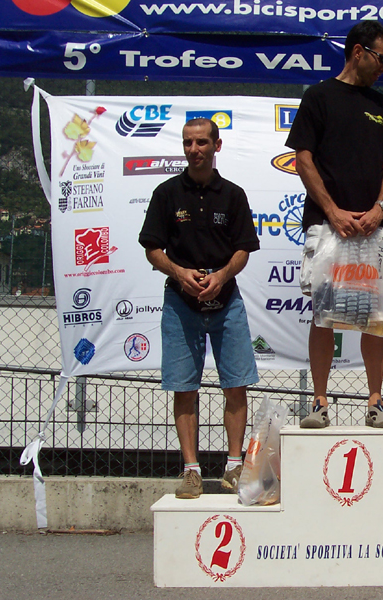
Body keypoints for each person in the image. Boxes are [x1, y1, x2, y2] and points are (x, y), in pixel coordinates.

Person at [286, 20, 383, 429]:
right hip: (327, 225)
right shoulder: (318, 96)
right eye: (382, 59)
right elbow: (303, 160)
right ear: (358, 52)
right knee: (323, 314)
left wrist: (380, 208)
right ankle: (319, 402)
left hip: (375, 227)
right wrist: (333, 211)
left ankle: (375, 402)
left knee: (374, 315)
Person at [139, 117, 260, 499]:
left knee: (236, 385)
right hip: (181, 303)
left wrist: (221, 276)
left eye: (202, 143)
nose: (194, 150)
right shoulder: (166, 193)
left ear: (216, 146)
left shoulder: (234, 195)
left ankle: (234, 467)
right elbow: (152, 248)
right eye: (188, 143)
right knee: (183, 389)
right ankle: (191, 471)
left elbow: (243, 249)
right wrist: (180, 272)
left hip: (227, 302)